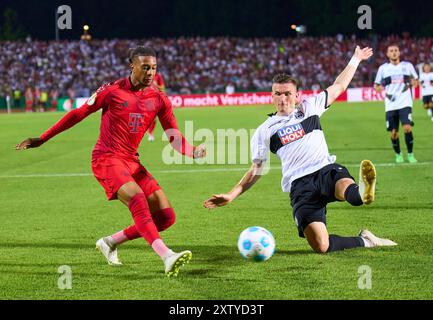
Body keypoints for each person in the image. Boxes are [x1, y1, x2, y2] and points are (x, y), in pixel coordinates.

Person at [15, 46, 206, 277]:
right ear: (132, 66)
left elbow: (175, 137)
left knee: (166, 217)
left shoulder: (159, 100)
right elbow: (78, 114)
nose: (150, 73)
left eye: (154, 68)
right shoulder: (112, 91)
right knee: (137, 199)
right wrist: (42, 139)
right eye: (145, 67)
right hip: (106, 158)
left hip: (131, 162)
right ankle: (167, 255)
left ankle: (110, 242)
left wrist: (193, 151)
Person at [204, 46, 397, 254]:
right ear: (271, 96)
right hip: (300, 186)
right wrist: (232, 195)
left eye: (288, 94)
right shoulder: (264, 131)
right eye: (278, 94)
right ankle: (366, 240)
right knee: (322, 246)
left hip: (324, 170)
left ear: (297, 96)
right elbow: (256, 169)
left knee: (352, 195)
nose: (283, 98)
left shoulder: (310, 107)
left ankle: (362, 190)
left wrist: (356, 59)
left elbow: (338, 86)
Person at [374, 44, 419, 164]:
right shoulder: (383, 69)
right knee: (394, 133)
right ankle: (398, 155)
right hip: (390, 104)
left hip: (405, 102)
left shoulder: (407, 66)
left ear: (399, 53)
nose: (394, 53)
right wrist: (378, 88)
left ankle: (410, 154)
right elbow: (376, 85)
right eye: (391, 51)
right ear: (387, 54)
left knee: (407, 128)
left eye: (396, 50)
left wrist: (415, 83)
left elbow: (416, 80)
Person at [147, 72, 166, 141]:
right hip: (147, 98)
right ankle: (149, 134)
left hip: (156, 99)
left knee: (154, 118)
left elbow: (162, 87)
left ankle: (150, 133)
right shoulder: (143, 75)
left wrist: (156, 85)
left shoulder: (158, 76)